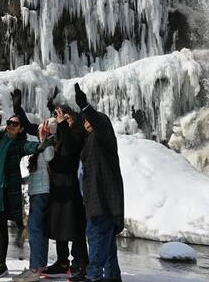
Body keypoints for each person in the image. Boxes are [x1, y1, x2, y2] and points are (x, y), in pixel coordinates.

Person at [0, 114, 54, 279]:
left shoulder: (18, 145)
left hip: (5, 190)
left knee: (1, 225)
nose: (10, 125)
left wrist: (44, 141)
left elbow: (33, 147)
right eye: (9, 122)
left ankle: (1, 263)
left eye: (15, 124)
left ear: (21, 129)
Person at [74, 83, 124, 282]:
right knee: (108, 245)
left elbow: (99, 122)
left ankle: (93, 276)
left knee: (96, 240)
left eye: (90, 120)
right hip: (99, 203)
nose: (87, 122)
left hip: (102, 201)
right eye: (84, 121)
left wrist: (85, 106)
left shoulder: (103, 136)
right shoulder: (89, 142)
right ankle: (113, 277)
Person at [43, 106, 89, 280]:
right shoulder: (60, 138)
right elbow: (53, 161)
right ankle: (62, 262)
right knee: (58, 226)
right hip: (58, 187)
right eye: (62, 117)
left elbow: (70, 148)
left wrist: (63, 124)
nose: (63, 119)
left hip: (72, 188)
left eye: (68, 118)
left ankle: (82, 262)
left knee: (75, 228)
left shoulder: (77, 135)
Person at [13, 120, 55, 282]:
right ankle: (40, 265)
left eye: (42, 129)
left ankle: (35, 268)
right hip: (38, 191)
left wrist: (45, 138)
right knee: (39, 229)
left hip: (42, 192)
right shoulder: (42, 145)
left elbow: (50, 157)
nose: (38, 131)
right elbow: (37, 172)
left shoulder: (49, 143)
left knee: (34, 228)